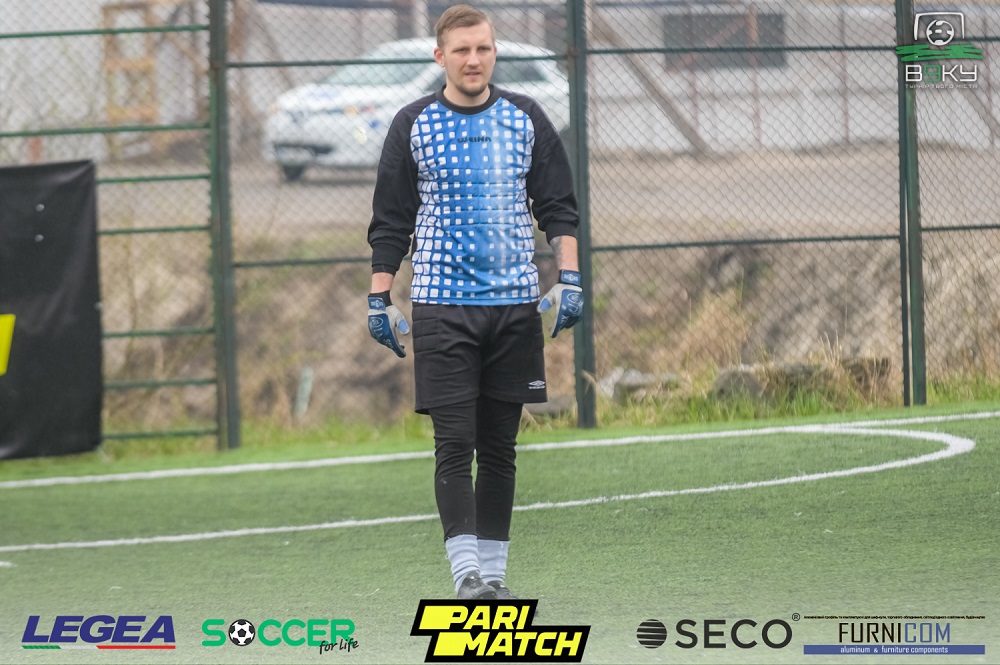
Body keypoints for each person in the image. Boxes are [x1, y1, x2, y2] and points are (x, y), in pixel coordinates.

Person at [366, 3, 584, 601]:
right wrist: (380, 296)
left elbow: (558, 207)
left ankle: (494, 580)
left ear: (494, 53)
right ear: (440, 56)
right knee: (454, 443)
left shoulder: (527, 117)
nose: (473, 59)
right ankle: (466, 576)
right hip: (442, 308)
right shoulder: (412, 123)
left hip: (514, 308)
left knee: (500, 450)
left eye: (483, 48)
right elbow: (391, 219)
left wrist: (569, 278)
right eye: (461, 50)